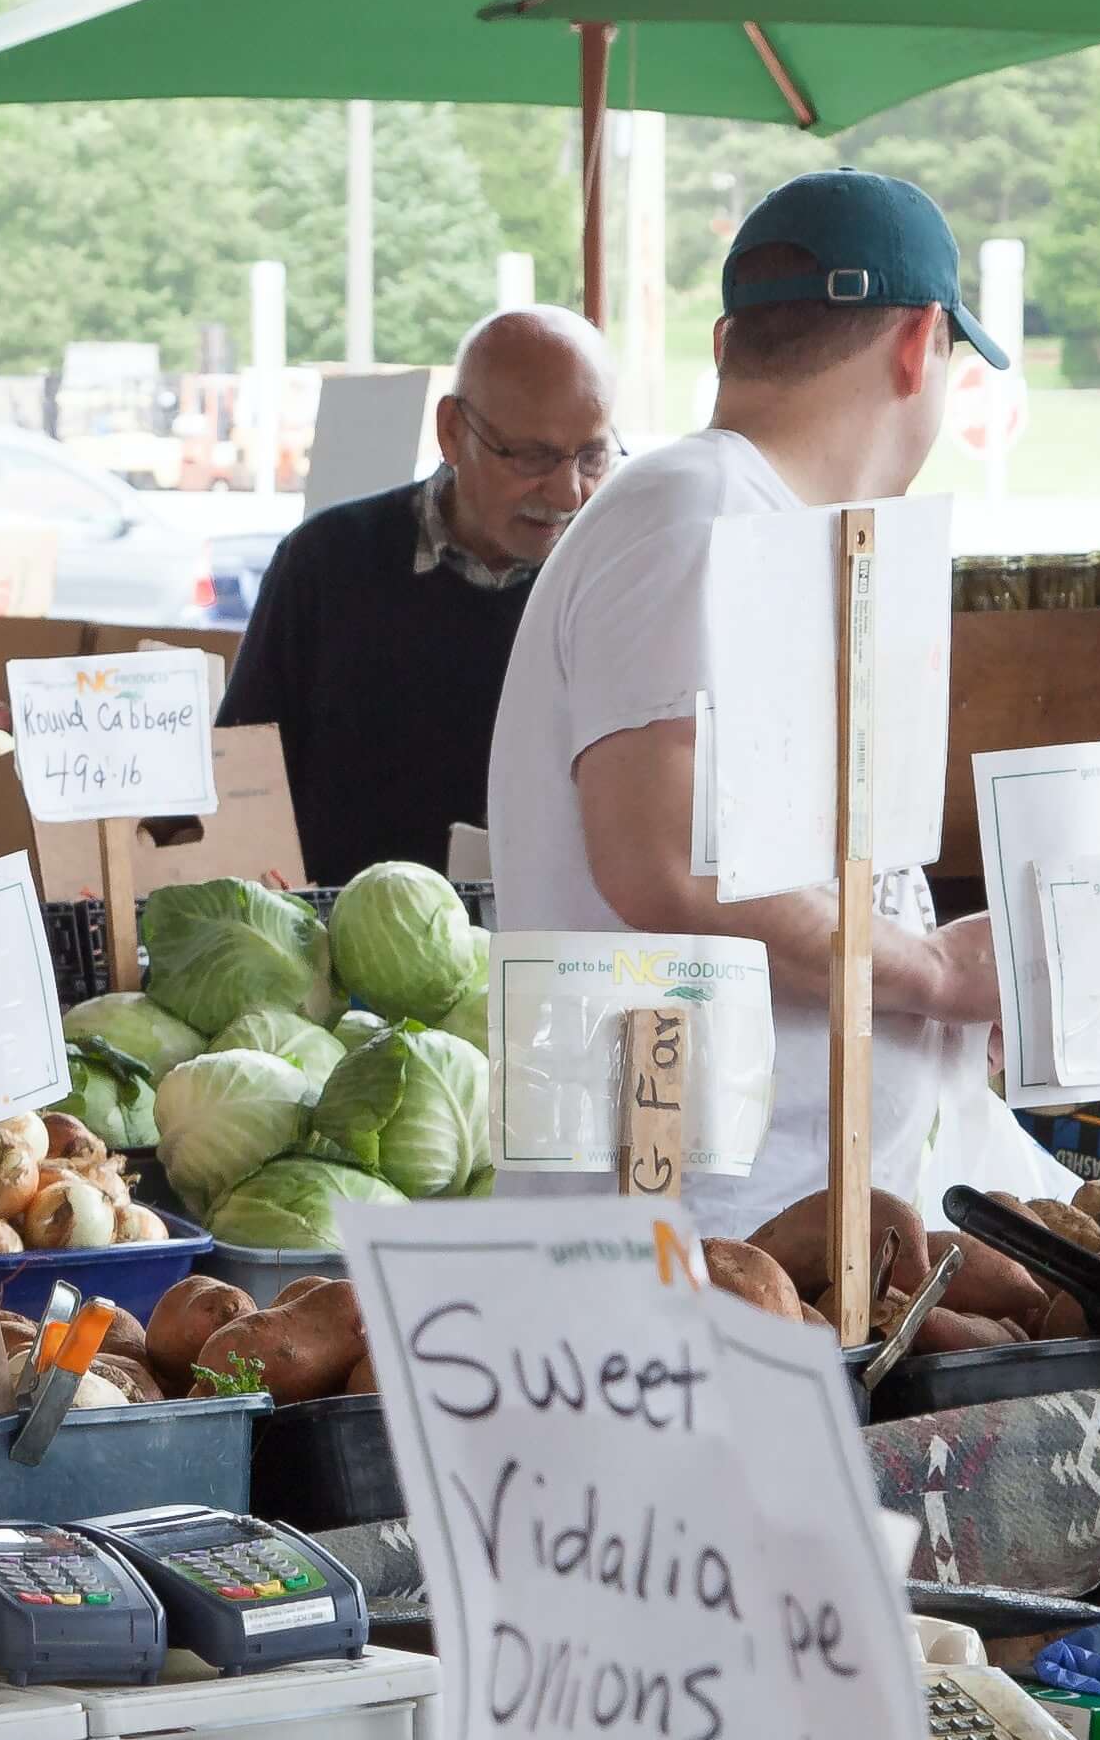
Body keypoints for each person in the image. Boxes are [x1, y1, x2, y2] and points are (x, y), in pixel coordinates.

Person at [484, 171, 1037, 1242]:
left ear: (732, 338)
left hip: (748, 1227)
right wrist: (930, 975)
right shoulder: (695, 513)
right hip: (679, 1241)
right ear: (921, 344)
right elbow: (664, 857)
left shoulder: (746, 520)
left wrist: (941, 989)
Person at [220, 305, 617, 885]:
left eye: (592, 457)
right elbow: (241, 775)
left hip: (544, 953)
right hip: (340, 950)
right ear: (453, 431)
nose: (568, 492)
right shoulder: (327, 563)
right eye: (533, 456)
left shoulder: (612, 581)